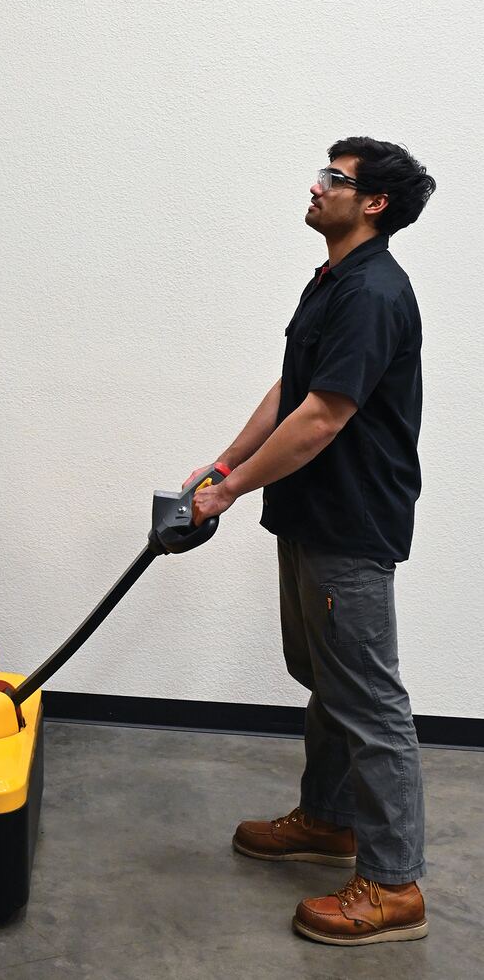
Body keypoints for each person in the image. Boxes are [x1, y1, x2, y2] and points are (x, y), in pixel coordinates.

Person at [189, 137, 435, 946]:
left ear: (374, 203)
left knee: (369, 700)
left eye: (336, 178)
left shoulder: (374, 292)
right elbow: (294, 390)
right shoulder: (333, 280)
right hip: (311, 512)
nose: (317, 185)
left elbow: (325, 417)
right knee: (327, 679)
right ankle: (329, 820)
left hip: (350, 520)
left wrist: (229, 490)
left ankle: (394, 886)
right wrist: (227, 463)